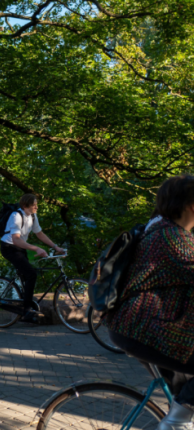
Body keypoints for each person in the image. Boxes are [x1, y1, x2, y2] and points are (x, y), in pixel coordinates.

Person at [105, 175, 194, 430]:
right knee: (183, 410)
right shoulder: (172, 237)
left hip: (141, 327)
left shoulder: (160, 228)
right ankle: (174, 424)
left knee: (185, 389)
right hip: (145, 330)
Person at [0, 194, 65, 323]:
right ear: (25, 205)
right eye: (34, 205)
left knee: (27, 276)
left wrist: (56, 247)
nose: (36, 207)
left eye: (36, 204)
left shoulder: (33, 216)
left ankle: (25, 307)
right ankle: (27, 311)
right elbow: (16, 240)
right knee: (31, 274)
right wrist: (36, 248)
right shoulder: (16, 216)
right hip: (9, 247)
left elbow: (40, 234)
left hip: (19, 247)